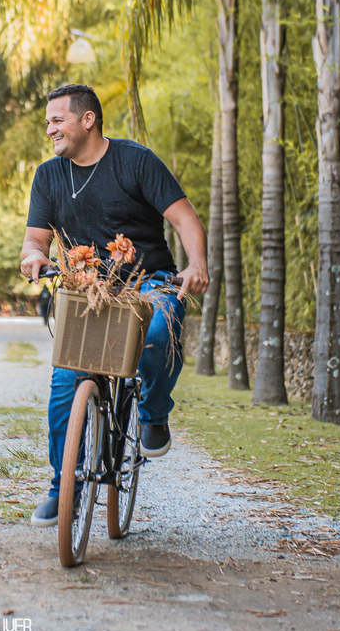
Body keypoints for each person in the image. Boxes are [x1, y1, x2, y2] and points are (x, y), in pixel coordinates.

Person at [19, 83, 209, 527]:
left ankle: (153, 412)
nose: (50, 129)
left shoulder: (135, 161)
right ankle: (61, 487)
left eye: (57, 120)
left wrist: (197, 264)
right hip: (85, 289)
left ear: (88, 119)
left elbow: (185, 218)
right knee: (65, 382)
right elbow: (35, 239)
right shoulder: (49, 176)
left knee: (159, 332)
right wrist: (33, 256)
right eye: (48, 122)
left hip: (149, 282)